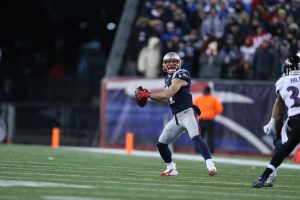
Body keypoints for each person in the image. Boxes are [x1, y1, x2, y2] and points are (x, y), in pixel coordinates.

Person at [137, 52, 218, 176]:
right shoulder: (167, 79)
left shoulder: (181, 74)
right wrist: (150, 97)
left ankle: (211, 166)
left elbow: (168, 94)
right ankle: (171, 168)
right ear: (163, 64)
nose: (170, 64)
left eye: (173, 62)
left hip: (188, 113)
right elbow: (166, 99)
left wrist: (148, 94)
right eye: (168, 62)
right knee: (161, 144)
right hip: (176, 118)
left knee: (196, 138)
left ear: (179, 63)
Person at [251, 53, 300, 188]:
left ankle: (264, 177)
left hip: (296, 119)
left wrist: (276, 132)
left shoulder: (282, 81)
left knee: (283, 149)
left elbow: (279, 110)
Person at [193, 86, 223, 153]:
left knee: (200, 136)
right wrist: (212, 114)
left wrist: (199, 114)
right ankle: (211, 151)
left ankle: (197, 150)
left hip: (201, 120)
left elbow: (193, 108)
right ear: (210, 92)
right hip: (210, 120)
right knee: (210, 137)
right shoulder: (213, 99)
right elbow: (219, 109)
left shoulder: (199, 98)